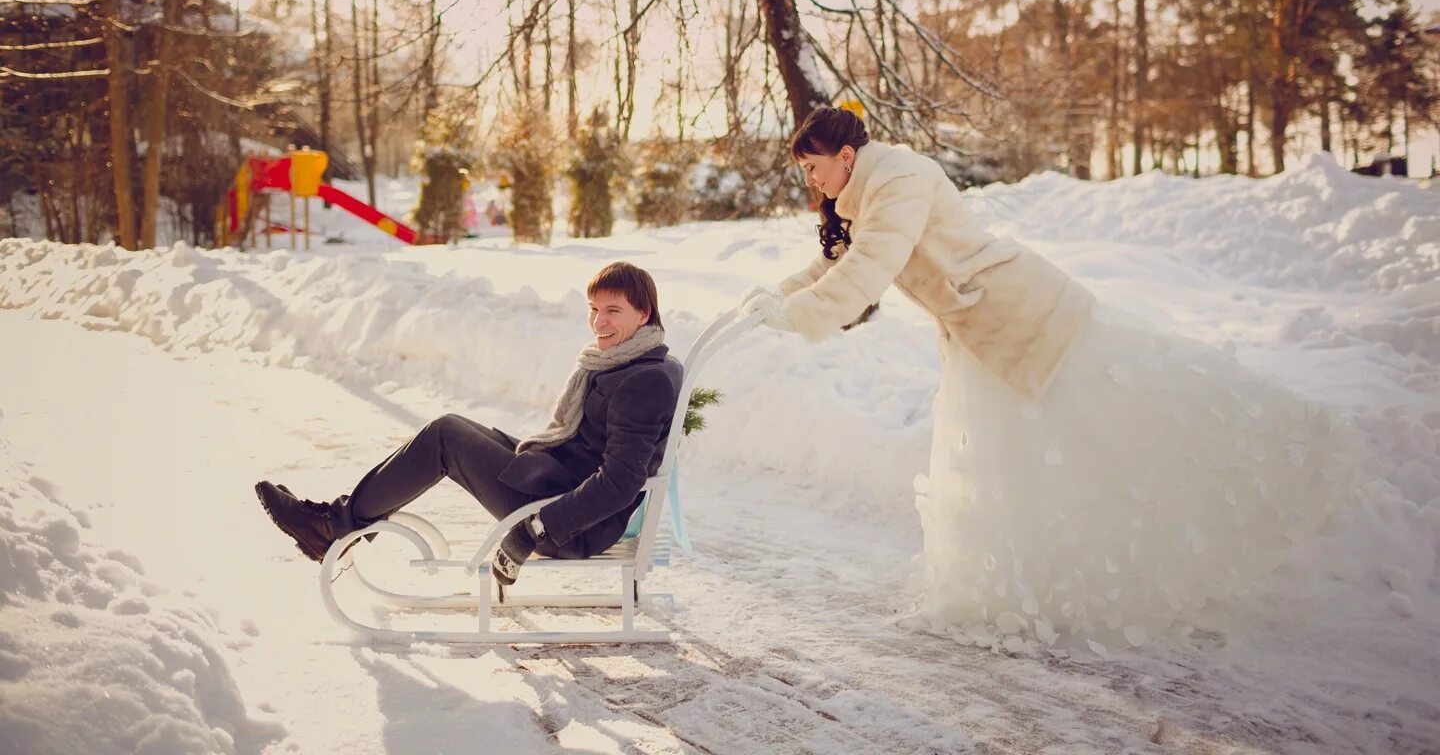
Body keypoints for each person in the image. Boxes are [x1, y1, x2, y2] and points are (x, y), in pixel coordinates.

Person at [740, 106, 1350, 651]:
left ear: (846, 156)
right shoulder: (867, 193)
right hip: (982, 335)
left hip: (1025, 317)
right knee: (1011, 465)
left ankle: (1272, 456)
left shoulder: (899, 178)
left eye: (813, 166)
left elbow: (872, 265)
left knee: (1105, 423)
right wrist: (778, 297)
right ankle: (1016, 590)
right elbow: (835, 261)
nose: (810, 180)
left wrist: (797, 315)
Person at [255, 261, 683, 593]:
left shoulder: (642, 380)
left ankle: (333, 527)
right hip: (563, 481)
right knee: (457, 426)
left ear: (643, 313)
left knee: (447, 436)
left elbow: (621, 480)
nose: (598, 323)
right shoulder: (636, 360)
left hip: (570, 522)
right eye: (593, 309)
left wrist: (539, 526)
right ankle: (338, 521)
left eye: (613, 311)